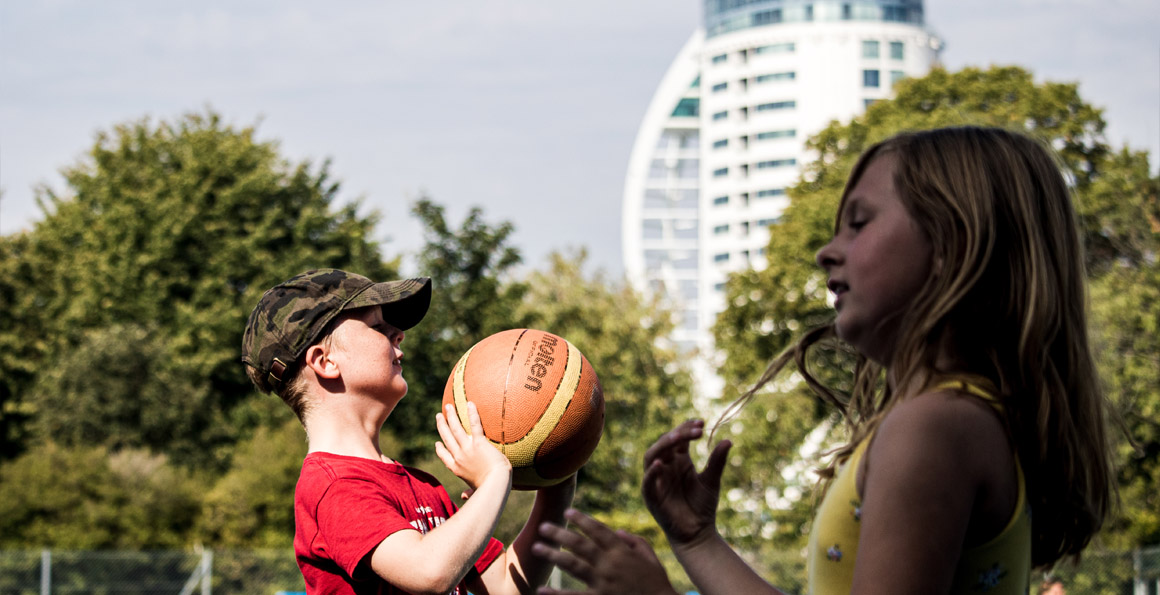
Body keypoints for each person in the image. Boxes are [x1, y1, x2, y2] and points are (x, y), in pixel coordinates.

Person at [533, 126, 1116, 594]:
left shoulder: (933, 427)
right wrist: (698, 541)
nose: (825, 250)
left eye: (859, 223)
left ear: (953, 244)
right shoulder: (961, 419)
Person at [242, 268, 575, 595]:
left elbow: (505, 587)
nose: (398, 334)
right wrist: (495, 477)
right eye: (378, 327)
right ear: (325, 361)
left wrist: (558, 475)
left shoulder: (423, 487)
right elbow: (429, 573)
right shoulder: (334, 486)